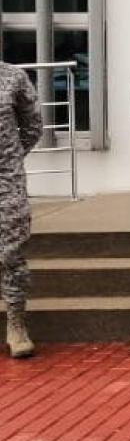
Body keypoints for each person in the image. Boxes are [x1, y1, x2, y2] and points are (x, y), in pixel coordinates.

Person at [0, 54, 42, 358]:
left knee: (11, 252)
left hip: (6, 180)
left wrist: (11, 157)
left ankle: (16, 325)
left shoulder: (14, 77)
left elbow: (33, 126)